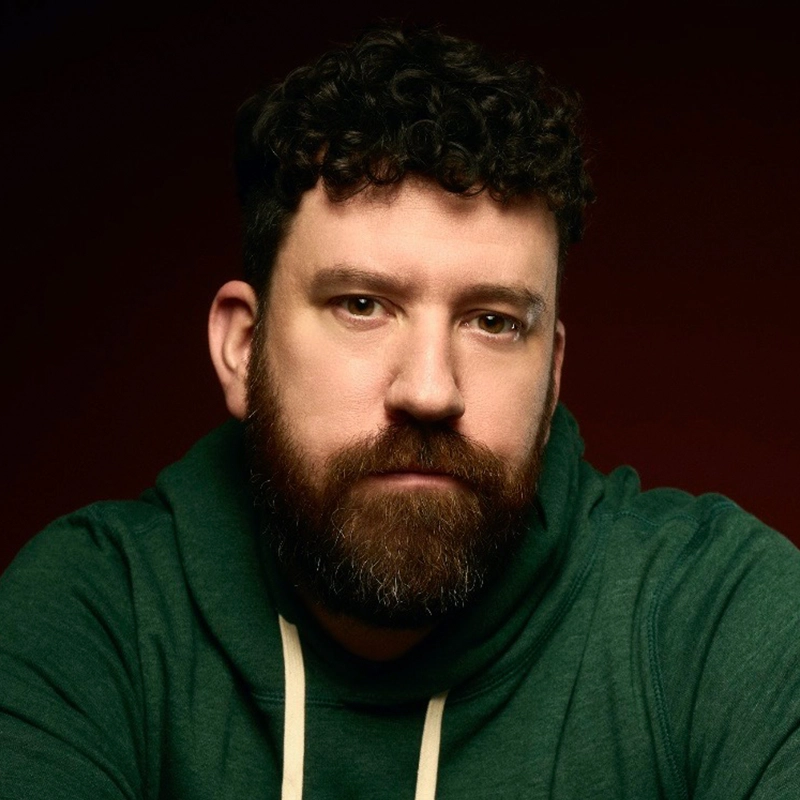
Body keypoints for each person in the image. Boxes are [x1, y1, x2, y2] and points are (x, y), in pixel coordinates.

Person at [1, 23, 798, 800]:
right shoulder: (89, 615)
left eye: (492, 321)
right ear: (242, 349)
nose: (429, 390)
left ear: (553, 377)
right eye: (361, 304)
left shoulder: (721, 618)